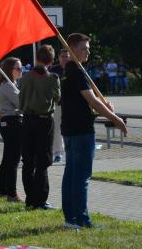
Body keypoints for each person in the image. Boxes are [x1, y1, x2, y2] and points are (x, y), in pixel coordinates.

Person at [61, 33, 127, 229]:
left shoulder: (69, 70)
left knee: (71, 175)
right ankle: (81, 219)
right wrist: (114, 118)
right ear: (72, 48)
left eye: (88, 47)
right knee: (81, 177)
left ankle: (70, 218)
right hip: (81, 132)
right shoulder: (77, 72)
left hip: (71, 129)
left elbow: (82, 104)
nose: (87, 51)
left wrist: (102, 108)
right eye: (83, 48)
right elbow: (92, 100)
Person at [19, 44, 60, 210]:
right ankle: (41, 199)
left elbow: (20, 98)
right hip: (44, 121)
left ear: (37, 59)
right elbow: (57, 98)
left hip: (27, 120)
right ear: (51, 61)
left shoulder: (26, 77)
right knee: (43, 161)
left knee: (28, 161)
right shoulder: (52, 78)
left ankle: (30, 198)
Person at [0, 57, 23, 202]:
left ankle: (3, 190)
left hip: (9, 122)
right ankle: (12, 194)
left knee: (8, 158)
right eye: (18, 68)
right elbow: (22, 103)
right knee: (13, 159)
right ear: (9, 70)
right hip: (12, 122)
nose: (21, 71)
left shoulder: (10, 84)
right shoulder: (8, 86)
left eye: (21, 68)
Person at [49, 49, 70, 163]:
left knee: (69, 129)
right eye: (62, 56)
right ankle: (57, 153)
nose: (65, 58)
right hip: (57, 105)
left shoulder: (74, 69)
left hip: (71, 105)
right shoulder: (53, 71)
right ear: (59, 57)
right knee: (57, 129)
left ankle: (69, 152)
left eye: (67, 56)